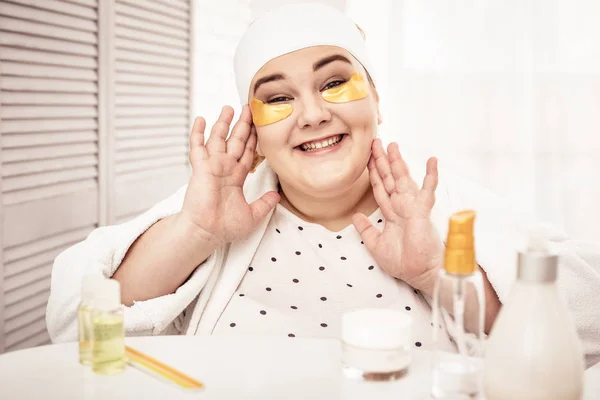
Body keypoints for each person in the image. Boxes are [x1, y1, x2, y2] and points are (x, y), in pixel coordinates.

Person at [46, 3, 600, 367]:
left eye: (335, 83)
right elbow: (71, 328)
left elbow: (587, 320)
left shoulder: (438, 206)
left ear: (376, 102)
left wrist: (438, 273)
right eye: (279, 96)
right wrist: (194, 231)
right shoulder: (219, 211)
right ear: (255, 131)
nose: (311, 115)